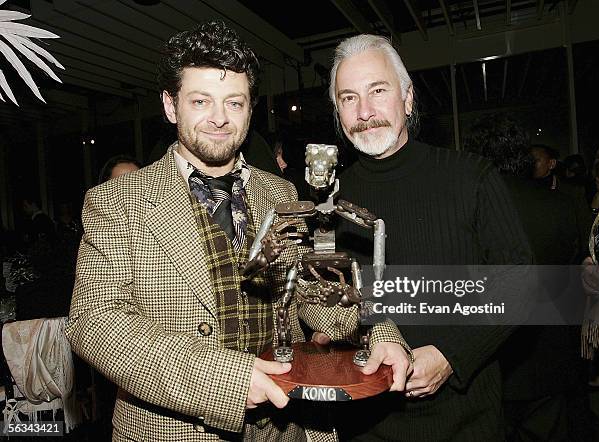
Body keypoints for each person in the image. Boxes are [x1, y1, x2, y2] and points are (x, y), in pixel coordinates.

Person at [67, 21, 408, 441]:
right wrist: (226, 380)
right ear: (171, 106)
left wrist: (379, 330)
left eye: (234, 103)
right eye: (200, 101)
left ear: (250, 108)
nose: (218, 119)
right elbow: (93, 321)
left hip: (289, 425)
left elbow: (307, 292)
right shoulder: (117, 200)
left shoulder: (279, 192)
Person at [327, 34, 533, 441]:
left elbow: (522, 281)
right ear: (338, 112)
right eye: (349, 98)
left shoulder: (470, 176)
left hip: (465, 420)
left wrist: (451, 356)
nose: (365, 112)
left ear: (407, 99)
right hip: (365, 423)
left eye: (378, 91)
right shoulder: (331, 200)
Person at [464, 113, 593, 441]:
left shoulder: (466, 209)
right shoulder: (562, 204)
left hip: (489, 361)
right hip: (551, 355)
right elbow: (576, 269)